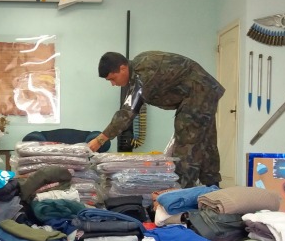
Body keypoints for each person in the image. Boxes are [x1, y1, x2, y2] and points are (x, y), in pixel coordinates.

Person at [88, 51, 225, 188]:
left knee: (186, 144)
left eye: (113, 78)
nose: (113, 84)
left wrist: (100, 140)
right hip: (204, 91)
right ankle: (213, 188)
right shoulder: (139, 68)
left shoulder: (144, 74)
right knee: (206, 143)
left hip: (198, 93)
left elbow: (127, 113)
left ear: (123, 68)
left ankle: (182, 195)